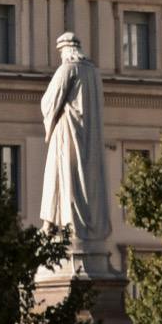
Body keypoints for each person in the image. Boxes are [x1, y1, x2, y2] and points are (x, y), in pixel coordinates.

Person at [39, 24, 111, 267]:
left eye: (60, 53)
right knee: (85, 183)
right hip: (90, 138)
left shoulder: (67, 69)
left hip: (67, 134)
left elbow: (49, 101)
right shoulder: (94, 73)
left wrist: (51, 120)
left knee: (61, 179)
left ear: (66, 50)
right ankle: (75, 226)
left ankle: (57, 225)